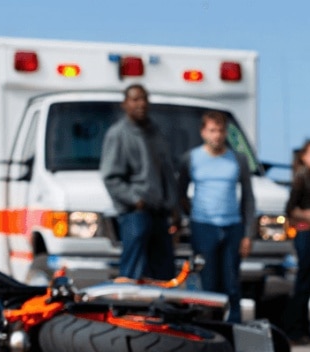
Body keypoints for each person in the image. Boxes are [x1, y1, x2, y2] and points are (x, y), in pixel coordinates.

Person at [177, 111, 255, 323]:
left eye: (221, 130)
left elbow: (248, 197)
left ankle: (234, 328)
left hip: (232, 227)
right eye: (212, 130)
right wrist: (190, 215)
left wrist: (248, 234)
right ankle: (209, 327)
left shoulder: (237, 159)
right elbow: (180, 193)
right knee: (208, 283)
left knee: (231, 283)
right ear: (203, 132)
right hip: (204, 226)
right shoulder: (191, 158)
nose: (217, 135)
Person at [100, 84, 180, 281]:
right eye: (135, 100)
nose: (141, 104)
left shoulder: (156, 133)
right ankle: (128, 309)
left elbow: (167, 173)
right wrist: (135, 200)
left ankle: (161, 308)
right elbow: (110, 177)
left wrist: (174, 206)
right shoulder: (118, 134)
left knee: (163, 272)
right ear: (125, 104)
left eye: (144, 99)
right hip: (136, 214)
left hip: (160, 213)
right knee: (134, 272)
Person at [280, 139, 310, 345]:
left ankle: (304, 329)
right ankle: (293, 330)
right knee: (302, 284)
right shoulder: (301, 178)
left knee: (308, 285)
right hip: (304, 234)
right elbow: (290, 208)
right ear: (304, 157)